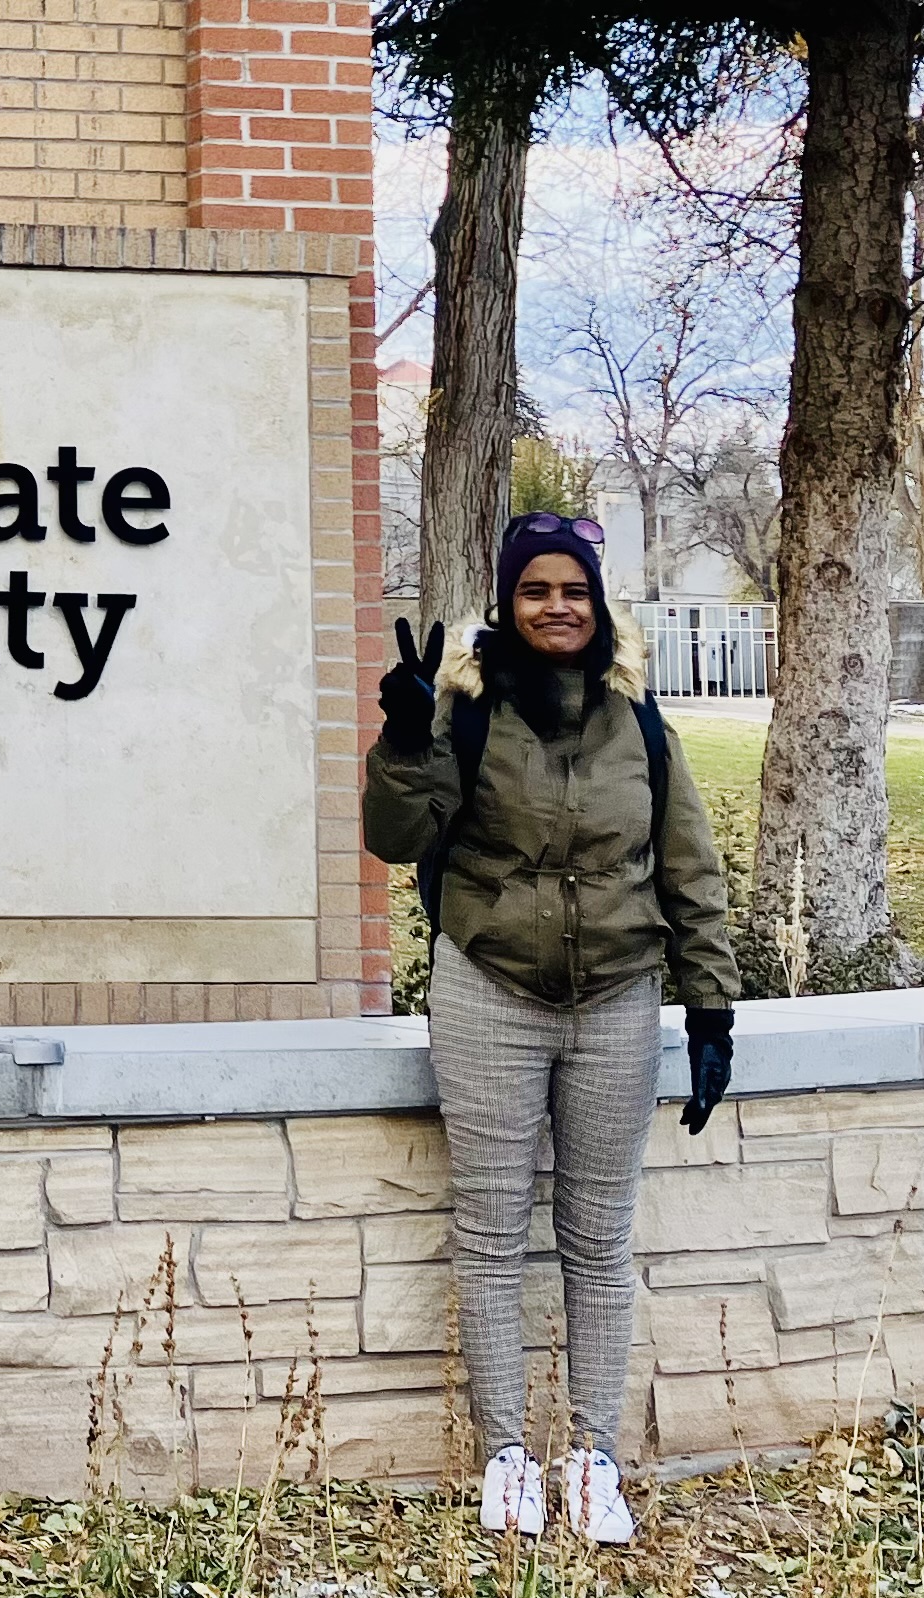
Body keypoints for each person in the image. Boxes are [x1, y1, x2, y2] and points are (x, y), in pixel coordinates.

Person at [362, 513, 740, 1544]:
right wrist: (401, 741)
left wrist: (709, 1006)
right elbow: (395, 839)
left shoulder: (639, 718)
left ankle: (592, 1459)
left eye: (572, 588)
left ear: (598, 598)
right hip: (489, 989)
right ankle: (505, 1461)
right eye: (534, 590)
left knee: (596, 1241)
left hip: (617, 997)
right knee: (489, 1234)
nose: (556, 606)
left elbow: (689, 870)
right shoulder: (464, 712)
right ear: (507, 601)